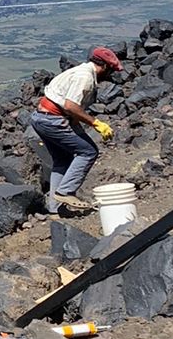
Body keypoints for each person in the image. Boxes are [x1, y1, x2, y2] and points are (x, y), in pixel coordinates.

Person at [29, 48, 122, 215]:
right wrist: (96, 123)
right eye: (110, 71)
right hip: (52, 120)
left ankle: (55, 209)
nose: (109, 76)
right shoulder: (84, 77)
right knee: (88, 152)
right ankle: (65, 192)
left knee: (63, 159)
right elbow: (71, 106)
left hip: (40, 117)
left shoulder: (79, 70)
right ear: (104, 67)